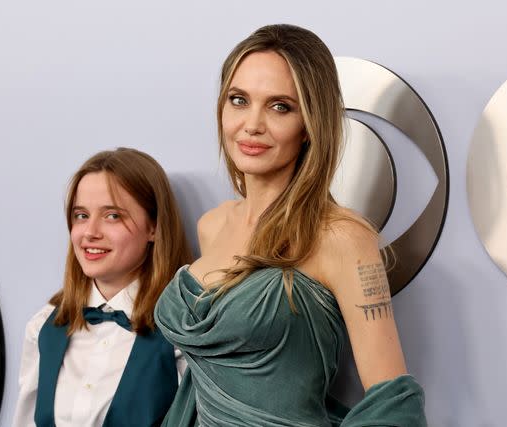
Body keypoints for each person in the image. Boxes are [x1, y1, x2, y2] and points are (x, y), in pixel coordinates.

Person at [155, 24, 427, 426]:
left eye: (280, 106)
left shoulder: (342, 237)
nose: (252, 124)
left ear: (309, 125)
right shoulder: (212, 225)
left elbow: (394, 403)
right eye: (238, 100)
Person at [13, 148, 192, 427]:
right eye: (81, 215)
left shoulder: (182, 335)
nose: (90, 232)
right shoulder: (43, 327)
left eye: (112, 216)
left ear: (154, 227)